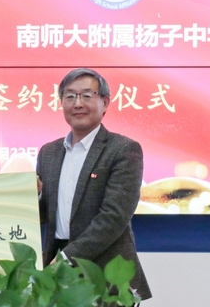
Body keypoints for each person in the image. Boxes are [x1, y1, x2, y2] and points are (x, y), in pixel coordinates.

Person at [36, 68, 152, 302]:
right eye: (70, 96)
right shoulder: (48, 153)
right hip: (56, 270)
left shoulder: (123, 149)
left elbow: (114, 218)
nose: (78, 103)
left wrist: (66, 259)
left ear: (105, 102)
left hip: (105, 273)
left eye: (87, 95)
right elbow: (44, 214)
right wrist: (34, 196)